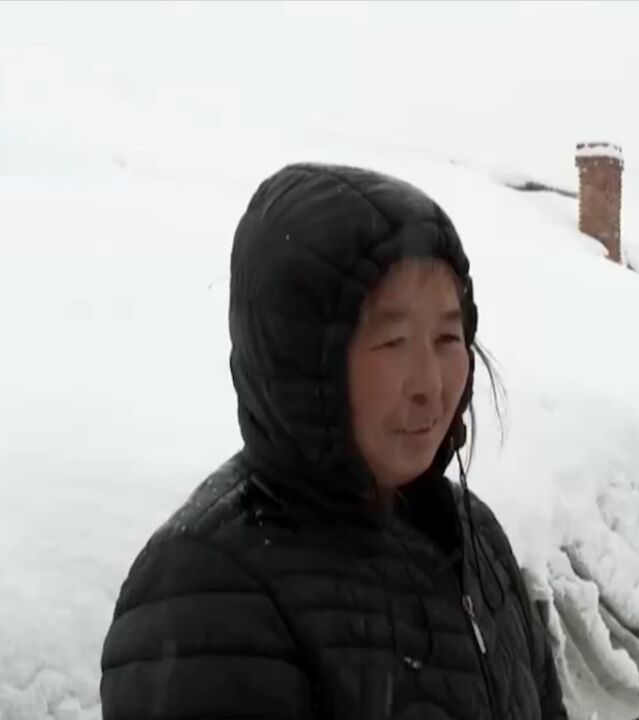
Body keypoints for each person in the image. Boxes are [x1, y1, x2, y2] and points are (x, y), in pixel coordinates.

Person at [99, 163, 567, 719]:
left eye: (447, 336)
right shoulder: (205, 592)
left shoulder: (473, 536)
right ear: (302, 360)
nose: (430, 384)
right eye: (393, 341)